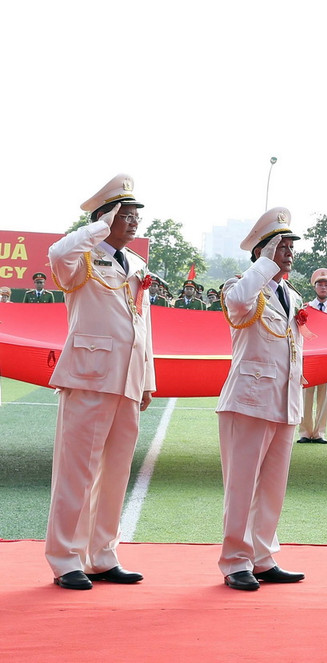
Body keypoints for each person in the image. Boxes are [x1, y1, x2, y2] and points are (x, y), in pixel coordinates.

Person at [44, 173, 155, 590]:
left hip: (127, 379)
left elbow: (143, 323)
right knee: (77, 471)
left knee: (115, 472)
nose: (133, 222)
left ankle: (102, 555)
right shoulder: (82, 257)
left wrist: (147, 378)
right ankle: (65, 558)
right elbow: (56, 254)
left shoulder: (136, 264)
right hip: (90, 377)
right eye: (124, 215)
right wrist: (97, 226)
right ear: (106, 217)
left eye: (134, 216)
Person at [216, 207, 305, 590]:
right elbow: (237, 302)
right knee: (242, 486)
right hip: (248, 400)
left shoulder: (291, 295)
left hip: (284, 400)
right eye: (280, 245)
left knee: (272, 486)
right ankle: (235, 560)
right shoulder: (243, 285)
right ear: (262, 251)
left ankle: (262, 557)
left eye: (290, 245)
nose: (289, 252)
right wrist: (265, 265)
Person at [298, 268, 327, 444]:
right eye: (320, 285)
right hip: (310, 355)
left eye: (326, 285)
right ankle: (305, 432)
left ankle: (320, 432)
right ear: (315, 288)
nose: (323, 287)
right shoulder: (306, 308)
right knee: (306, 394)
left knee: (325, 395)